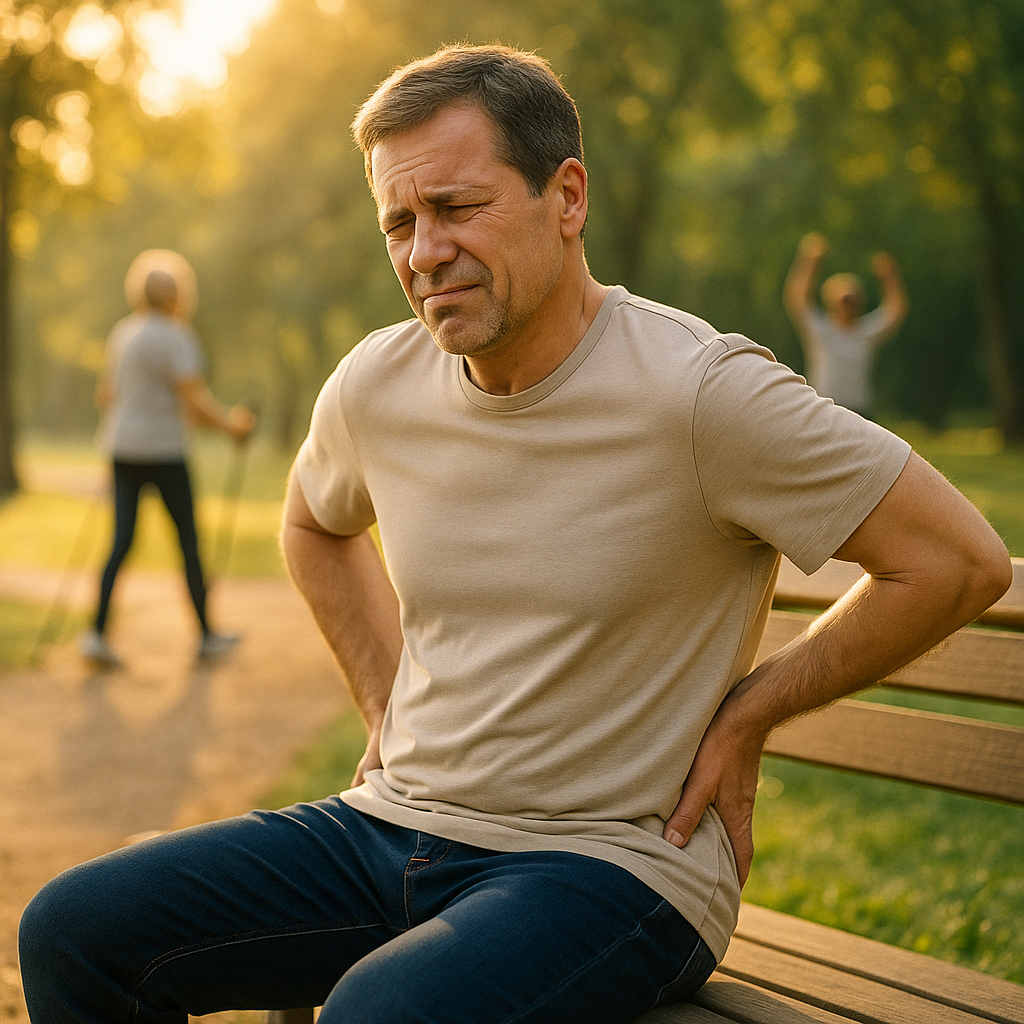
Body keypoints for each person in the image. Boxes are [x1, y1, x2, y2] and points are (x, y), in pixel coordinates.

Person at [21, 46, 1010, 1024]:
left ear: (566, 197)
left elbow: (954, 561)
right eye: (398, 222)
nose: (421, 252)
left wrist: (750, 712)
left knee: (381, 1014)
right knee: (73, 929)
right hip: (392, 825)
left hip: (613, 865)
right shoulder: (378, 382)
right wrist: (383, 691)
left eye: (456, 208)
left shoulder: (700, 392)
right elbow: (312, 523)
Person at [78, 250, 256, 667]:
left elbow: (106, 395)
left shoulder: (123, 334)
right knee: (188, 542)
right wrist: (233, 427)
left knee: (121, 542)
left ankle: (96, 634)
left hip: (122, 449)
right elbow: (194, 403)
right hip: (164, 451)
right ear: (177, 294)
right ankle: (206, 635)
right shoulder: (177, 337)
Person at [783, 231, 909, 418]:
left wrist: (890, 277)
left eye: (852, 299)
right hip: (824, 408)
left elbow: (895, 310)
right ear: (831, 301)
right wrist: (808, 262)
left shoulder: (865, 333)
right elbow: (797, 300)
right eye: (844, 299)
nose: (848, 304)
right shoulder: (821, 329)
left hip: (860, 412)